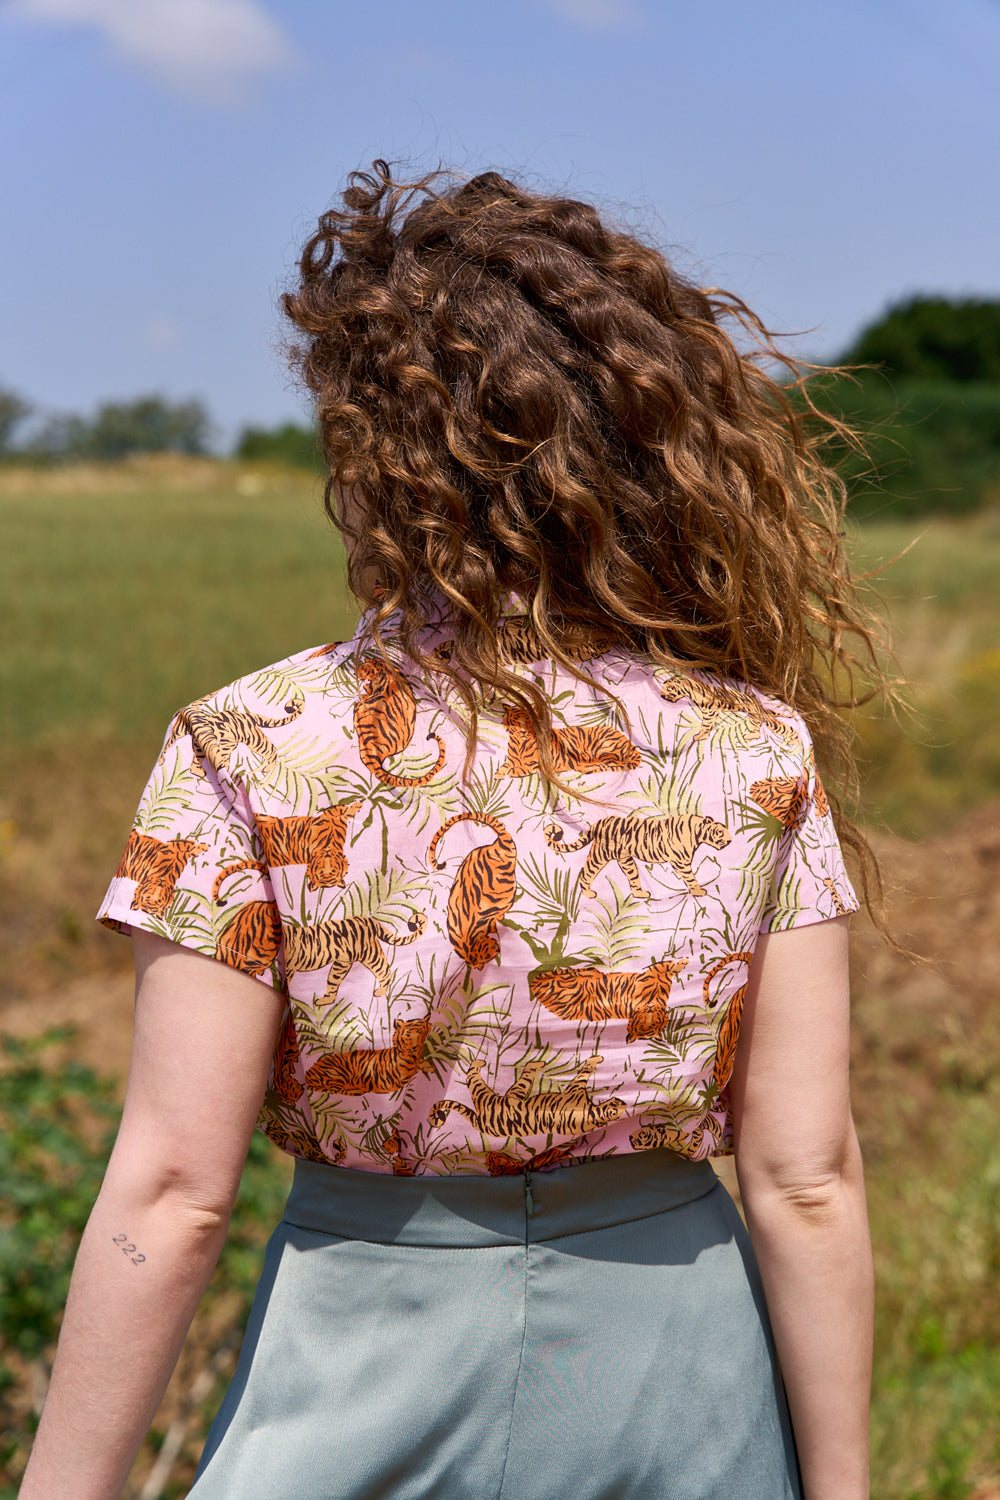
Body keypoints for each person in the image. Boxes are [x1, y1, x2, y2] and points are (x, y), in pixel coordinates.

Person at [21, 163, 879, 1500]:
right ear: (632, 434)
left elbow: (177, 1192)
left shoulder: (249, 745)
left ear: (376, 455)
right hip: (680, 1382)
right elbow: (808, 1176)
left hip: (359, 1349)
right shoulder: (752, 749)